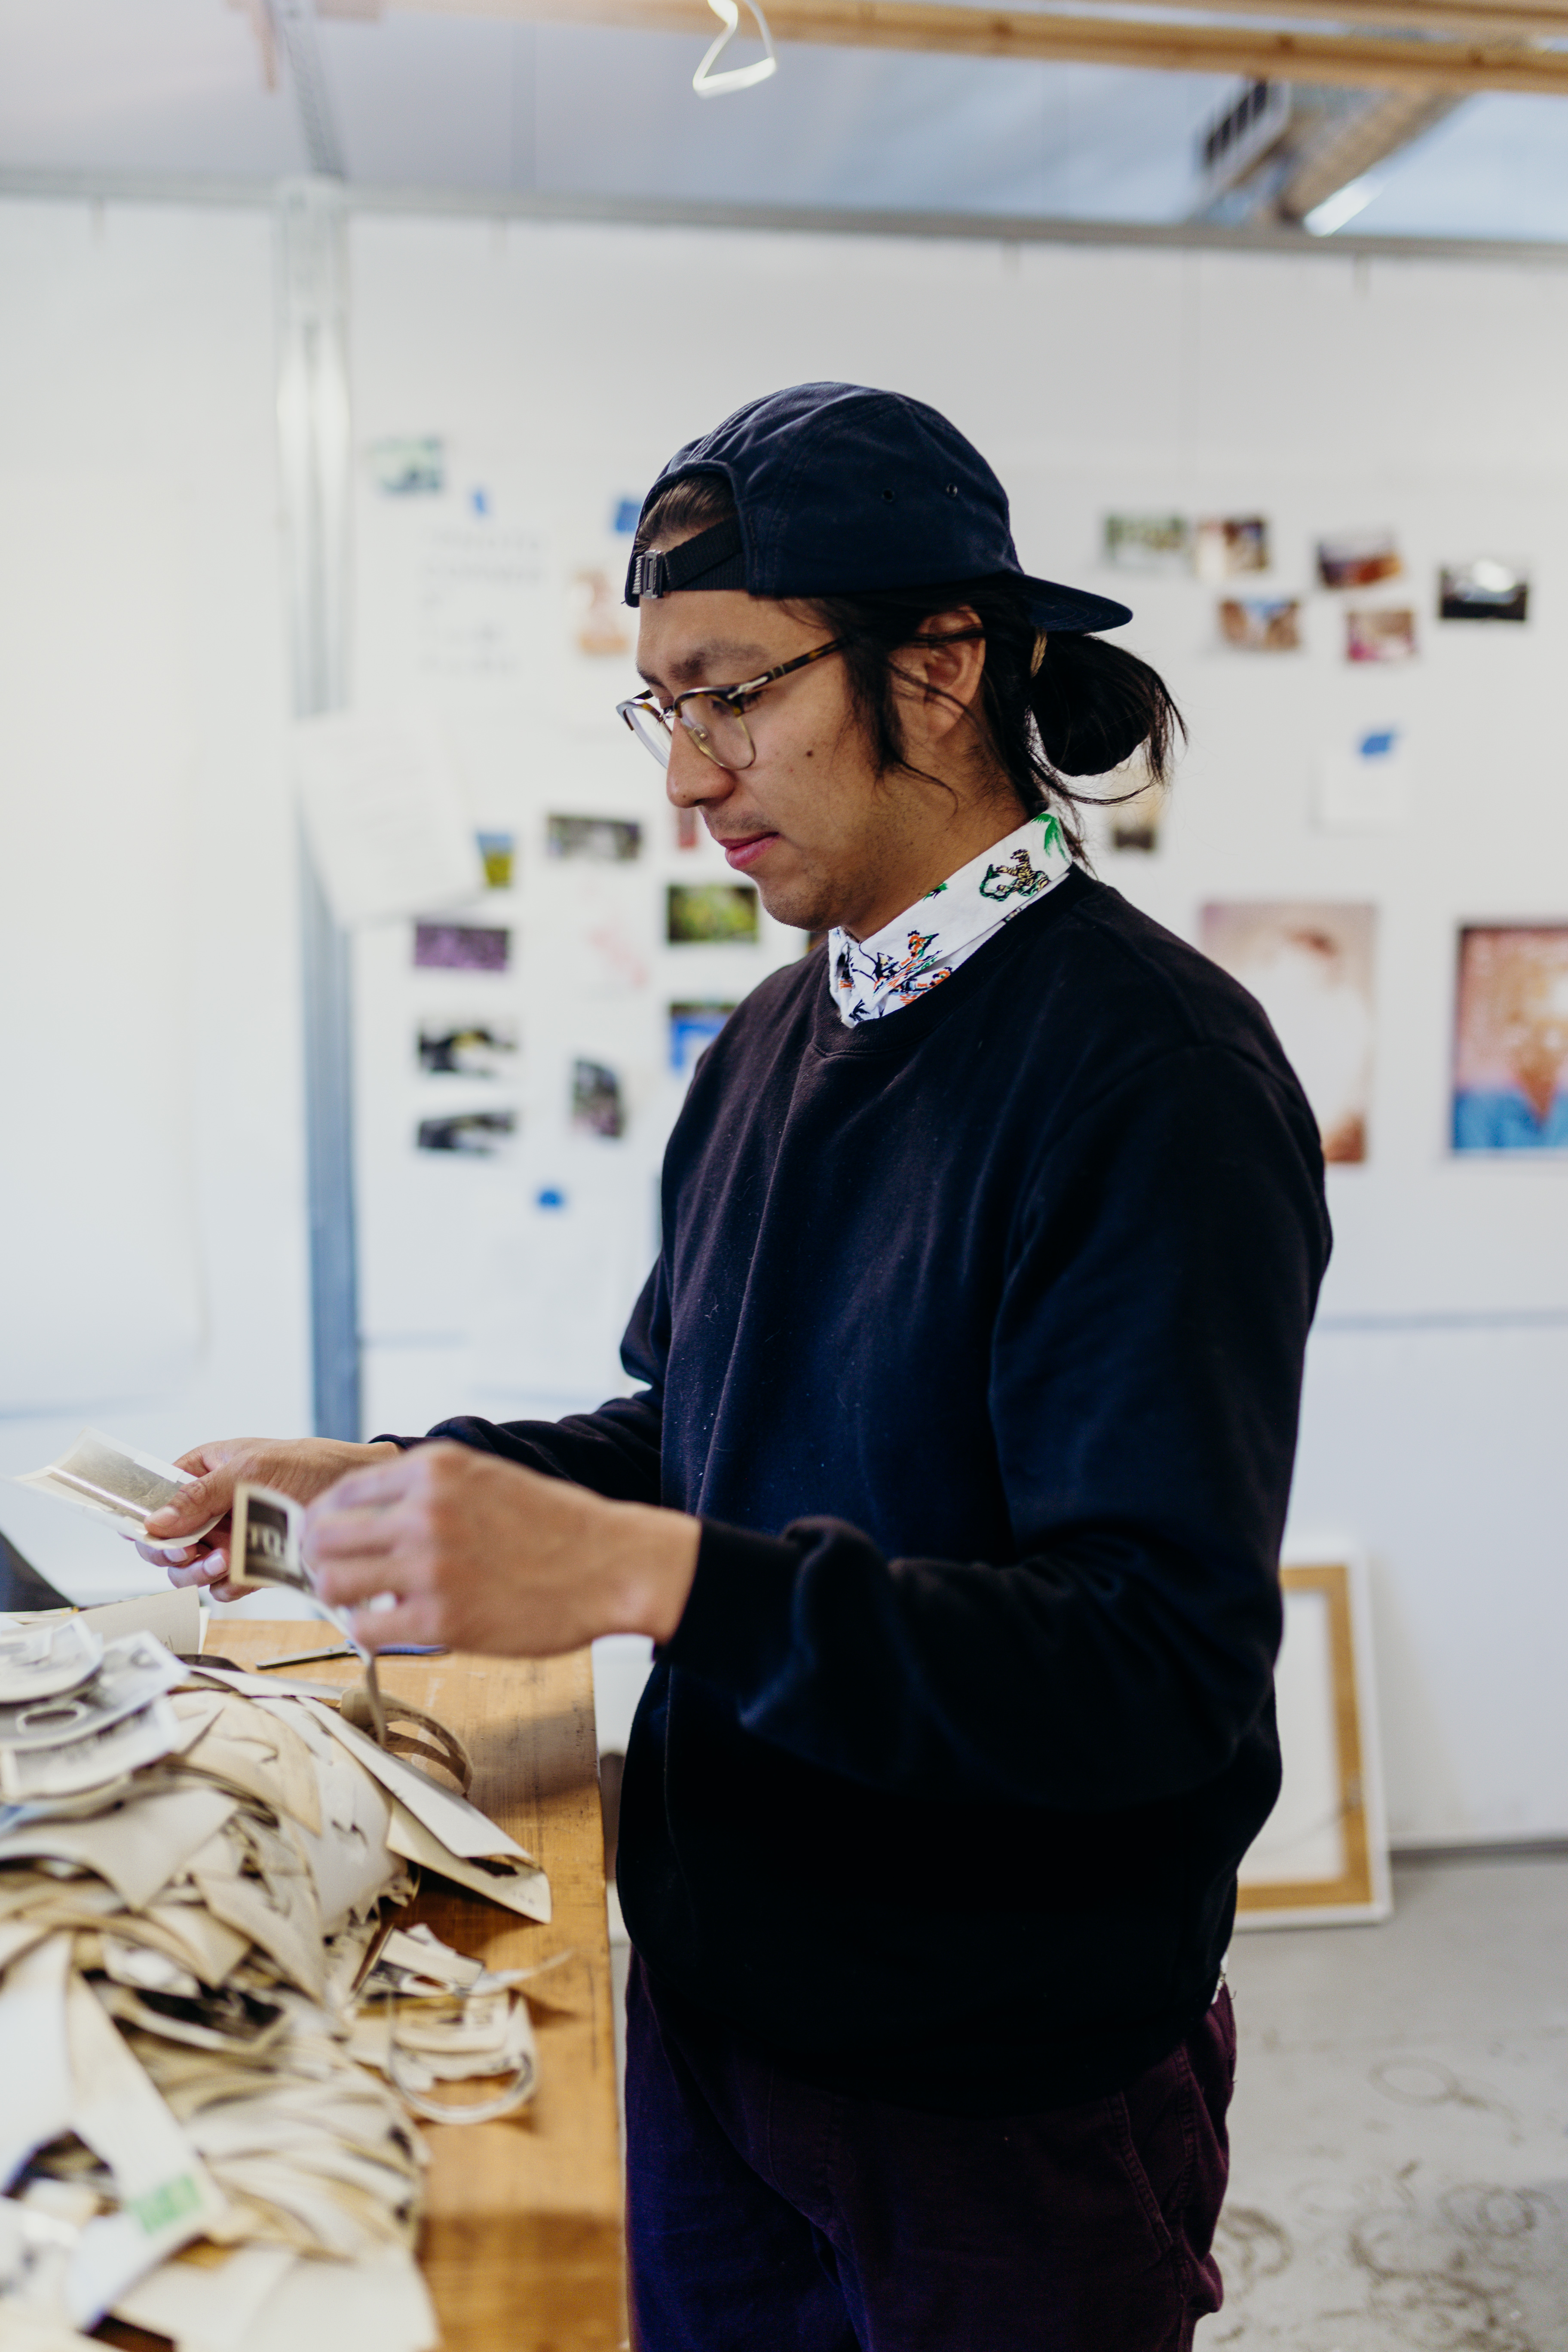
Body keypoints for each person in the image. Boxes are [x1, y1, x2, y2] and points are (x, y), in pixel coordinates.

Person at [144, 382, 1330, 2351]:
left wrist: (643, 1578)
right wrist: (396, 1476)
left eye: (734, 695)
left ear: (938, 667)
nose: (690, 775)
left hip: (995, 2093)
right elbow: (686, 1438)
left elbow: (1150, 1668)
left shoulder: (1153, 1082)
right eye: (664, 707)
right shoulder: (773, 1043)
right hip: (715, 2009)